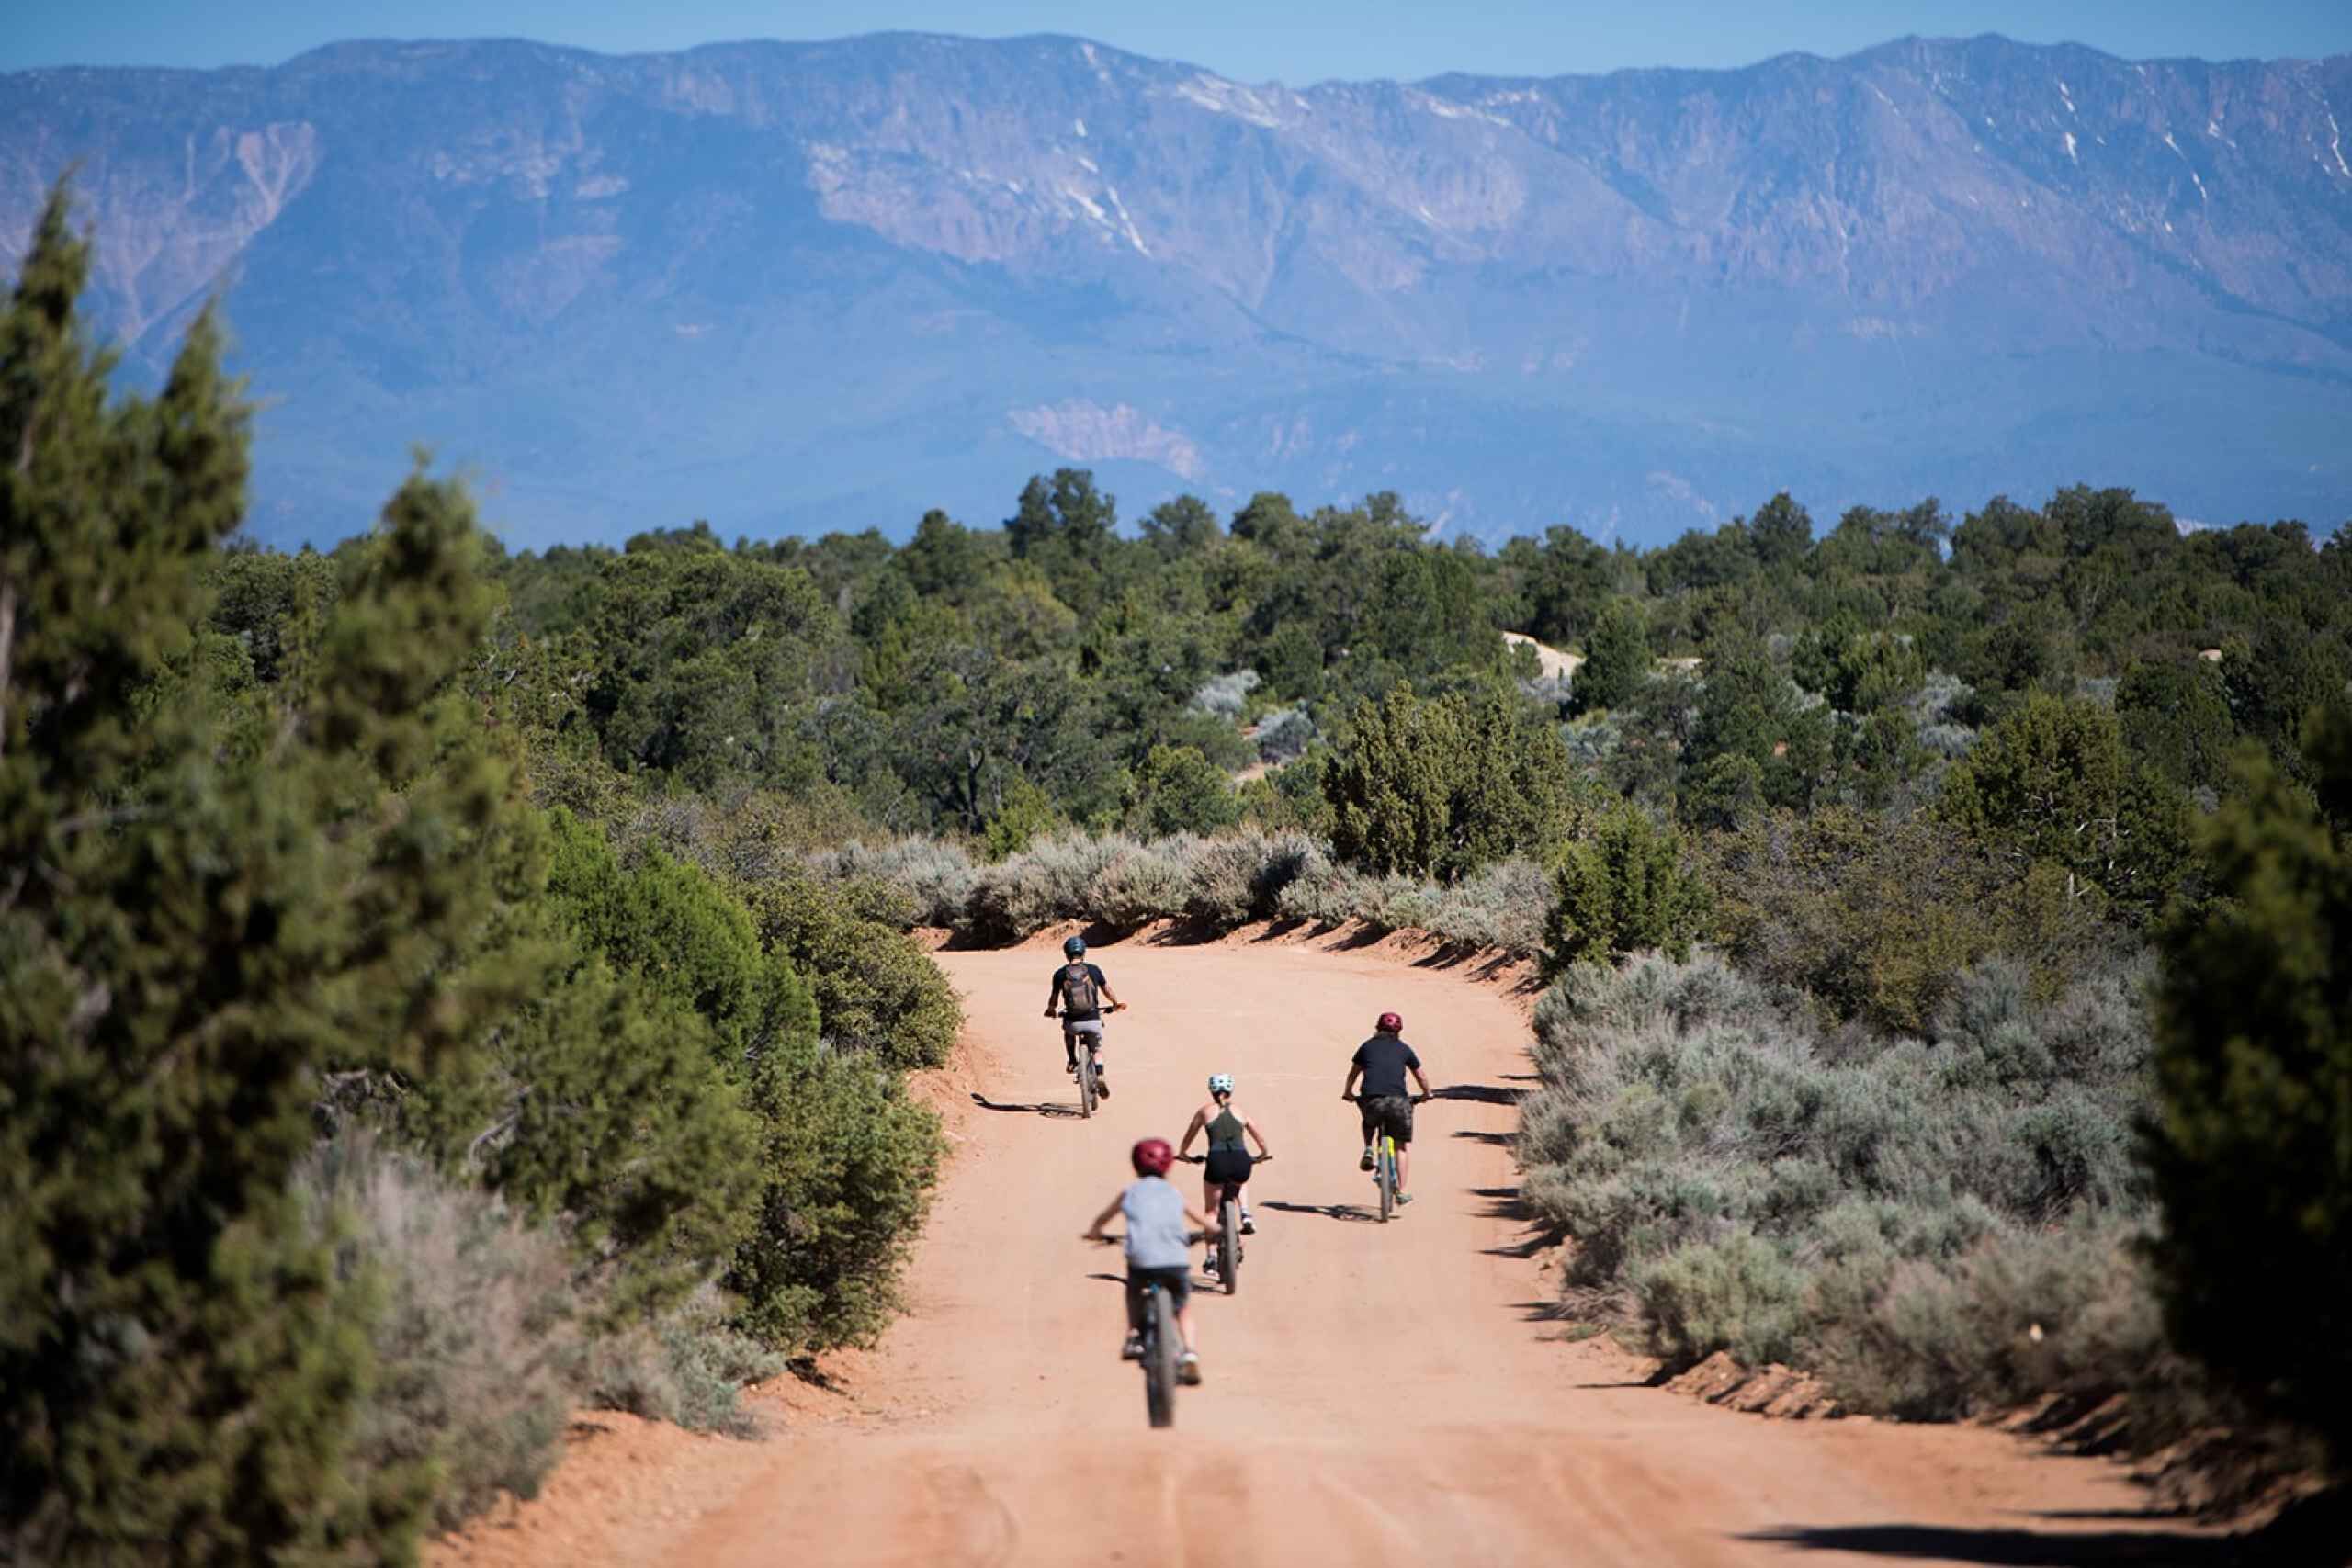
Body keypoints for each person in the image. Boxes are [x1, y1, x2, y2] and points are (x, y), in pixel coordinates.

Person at [1081, 1137, 1206, 1383]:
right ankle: (1190, 1354)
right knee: (1182, 1309)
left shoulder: (1130, 1192)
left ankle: (1134, 1335)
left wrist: (1095, 1233)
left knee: (1133, 1293)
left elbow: (1102, 1219)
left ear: (1135, 1164)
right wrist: (1215, 1230)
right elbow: (1204, 1221)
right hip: (1175, 1261)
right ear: (1168, 1165)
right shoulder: (1174, 1193)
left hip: (1141, 1261)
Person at [1341, 1010, 1432, 1207]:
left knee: (1369, 1120)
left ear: (1377, 1028)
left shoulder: (1366, 1047)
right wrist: (1427, 1094)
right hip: (1399, 1102)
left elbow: (1353, 1074)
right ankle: (1402, 1190)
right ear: (1399, 1031)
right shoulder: (1405, 1049)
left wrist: (1348, 1093)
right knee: (1400, 1146)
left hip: (1372, 1100)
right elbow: (1421, 1076)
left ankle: (1368, 1148)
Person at [1178, 1073, 1271, 1247]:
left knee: (1211, 1212)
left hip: (1216, 1162)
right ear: (1230, 1091)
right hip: (1240, 1160)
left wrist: (1184, 1154)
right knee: (1240, 1179)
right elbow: (1260, 1139)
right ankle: (1245, 1213)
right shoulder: (1240, 1111)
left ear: (1211, 1091)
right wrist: (1263, 1155)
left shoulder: (1204, 1111)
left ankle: (1211, 1258)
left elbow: (1187, 1139)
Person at [1045, 934, 1125, 1098]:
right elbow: (1107, 990)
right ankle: (1100, 1072)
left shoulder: (1060, 974)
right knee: (1096, 1048)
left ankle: (1072, 1061)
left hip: (1073, 1022)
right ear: (1083, 953)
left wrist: (1051, 1010)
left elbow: (1054, 998)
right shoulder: (1094, 970)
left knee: (1068, 1033)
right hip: (1093, 1019)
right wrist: (1116, 1004)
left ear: (1066, 954)